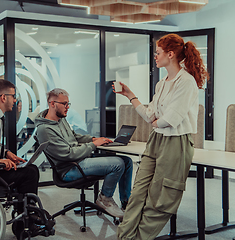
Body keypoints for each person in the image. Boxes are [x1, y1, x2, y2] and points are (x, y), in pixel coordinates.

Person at [116, 33, 209, 240]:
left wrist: (158, 120)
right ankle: (125, 237)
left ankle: (140, 238)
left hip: (177, 142)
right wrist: (131, 96)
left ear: (171, 53)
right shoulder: (161, 83)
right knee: (139, 192)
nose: (155, 57)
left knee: (161, 197)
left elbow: (171, 119)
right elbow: (151, 115)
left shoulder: (186, 82)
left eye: (157, 53)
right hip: (156, 140)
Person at [35, 88, 133, 218]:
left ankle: (127, 204)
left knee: (127, 161)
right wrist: (92, 145)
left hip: (81, 160)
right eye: (64, 104)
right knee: (117, 164)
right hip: (69, 168)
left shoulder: (60, 120)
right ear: (52, 103)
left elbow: (74, 137)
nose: (67, 107)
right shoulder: (45, 129)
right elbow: (68, 154)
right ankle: (105, 198)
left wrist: (93, 139)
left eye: (68, 103)